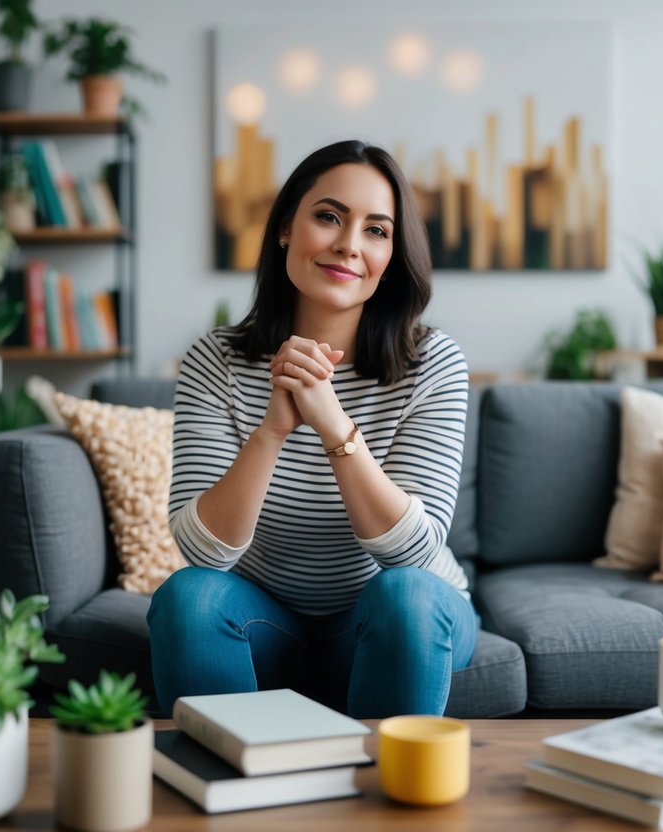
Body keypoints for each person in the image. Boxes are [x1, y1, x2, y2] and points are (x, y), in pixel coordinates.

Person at [148, 139, 476, 719]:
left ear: (393, 254)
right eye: (328, 217)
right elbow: (200, 553)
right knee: (189, 599)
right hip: (267, 623)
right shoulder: (215, 360)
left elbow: (417, 554)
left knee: (406, 596)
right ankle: (231, 794)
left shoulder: (434, 362)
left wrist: (333, 425)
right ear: (284, 229)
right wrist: (273, 429)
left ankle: (386, 803)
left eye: (377, 230)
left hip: (399, 617)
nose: (349, 244)